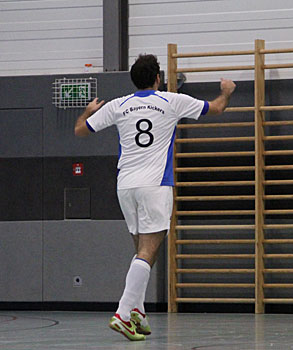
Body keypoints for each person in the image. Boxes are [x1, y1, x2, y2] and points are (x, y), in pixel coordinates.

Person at [74, 54, 236, 341]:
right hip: (155, 185)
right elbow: (218, 109)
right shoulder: (170, 100)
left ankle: (138, 311)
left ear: (134, 79)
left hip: (125, 186)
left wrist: (87, 111)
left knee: (143, 252)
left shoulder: (118, 105)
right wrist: (226, 91)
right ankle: (124, 313)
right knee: (148, 252)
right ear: (158, 78)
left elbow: (80, 130)